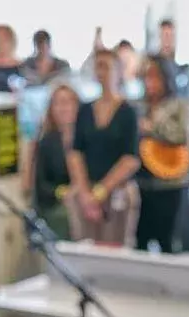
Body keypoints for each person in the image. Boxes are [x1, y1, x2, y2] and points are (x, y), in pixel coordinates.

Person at [66, 48, 141, 247]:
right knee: (85, 248)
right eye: (97, 67)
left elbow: (130, 159)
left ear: (118, 70)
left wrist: (101, 191)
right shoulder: (85, 110)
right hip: (86, 189)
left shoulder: (128, 112)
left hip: (117, 191)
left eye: (105, 67)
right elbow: (75, 152)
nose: (101, 72)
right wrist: (85, 193)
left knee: (114, 249)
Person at [133, 56, 189, 254]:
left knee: (169, 242)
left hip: (169, 183)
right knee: (140, 241)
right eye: (146, 77)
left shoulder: (178, 106)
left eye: (155, 76)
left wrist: (153, 126)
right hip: (142, 183)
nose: (150, 82)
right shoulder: (138, 107)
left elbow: (182, 135)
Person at [26, 82, 80, 239]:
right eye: (58, 103)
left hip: (84, 199)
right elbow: (41, 186)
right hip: (55, 204)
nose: (63, 108)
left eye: (68, 102)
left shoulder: (87, 139)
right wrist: (62, 192)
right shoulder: (46, 143)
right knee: (65, 216)